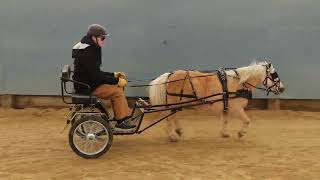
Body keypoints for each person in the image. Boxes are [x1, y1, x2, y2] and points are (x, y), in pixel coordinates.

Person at [72, 24, 140, 130]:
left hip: (86, 83)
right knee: (117, 92)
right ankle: (121, 121)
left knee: (118, 88)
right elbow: (96, 76)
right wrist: (116, 80)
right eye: (102, 38)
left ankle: (122, 116)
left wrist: (113, 74)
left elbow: (95, 72)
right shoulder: (89, 52)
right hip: (87, 87)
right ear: (93, 37)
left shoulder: (88, 48)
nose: (104, 40)